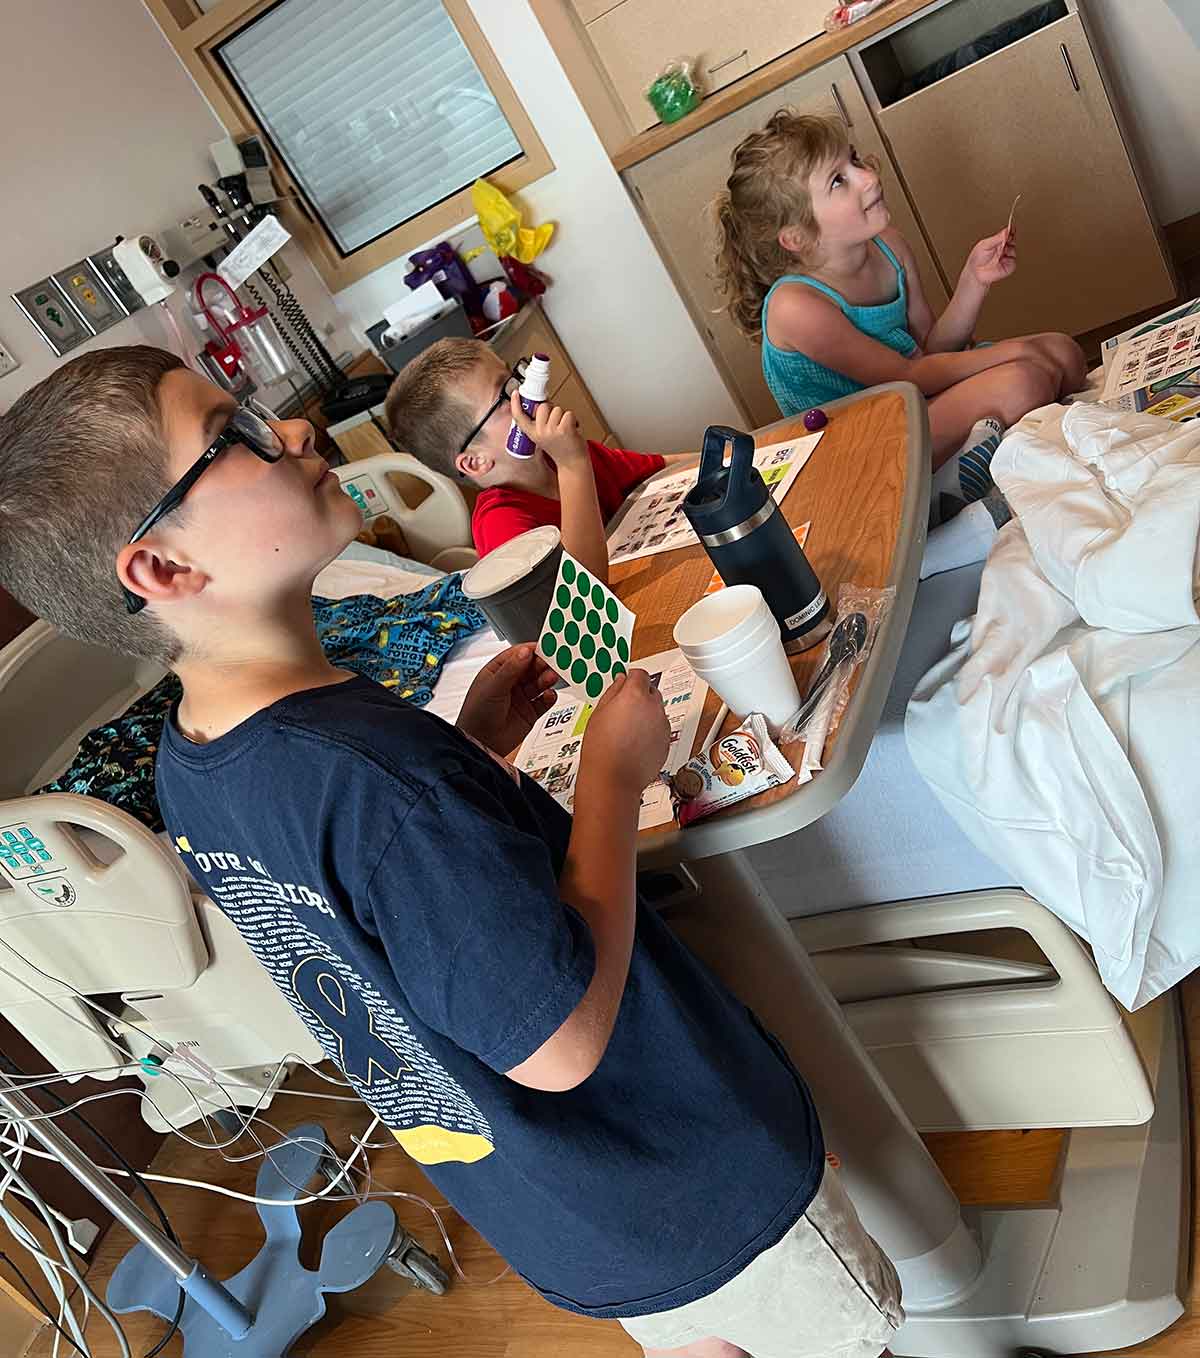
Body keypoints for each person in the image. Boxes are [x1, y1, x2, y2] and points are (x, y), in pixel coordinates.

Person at [0, 345, 902, 1358]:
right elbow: (558, 1041)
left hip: (564, 1212)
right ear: (163, 569)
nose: (293, 430)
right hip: (688, 1172)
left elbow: (370, 913)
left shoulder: (192, 763)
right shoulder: (374, 778)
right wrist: (608, 776)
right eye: (233, 438)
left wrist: (474, 746)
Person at [712, 109, 1087, 515]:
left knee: (1065, 353)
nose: (868, 177)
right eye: (839, 180)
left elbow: (929, 352)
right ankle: (941, 497)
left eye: (853, 160)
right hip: (866, 447)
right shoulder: (796, 307)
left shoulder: (889, 245)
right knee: (1023, 382)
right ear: (797, 236)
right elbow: (906, 377)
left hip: (916, 398)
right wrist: (1011, 353)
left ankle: (977, 454)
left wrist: (973, 281)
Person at [384, 338, 671, 581]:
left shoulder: (558, 458)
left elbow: (659, 467)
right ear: (475, 461)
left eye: (515, 378)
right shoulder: (502, 524)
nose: (526, 394)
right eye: (504, 396)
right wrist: (573, 465)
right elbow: (582, 595)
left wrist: (716, 450)